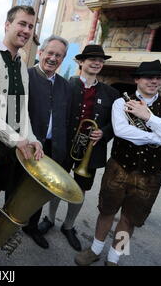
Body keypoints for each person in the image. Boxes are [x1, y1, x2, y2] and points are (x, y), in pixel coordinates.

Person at [75, 60, 161, 266]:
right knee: (106, 211)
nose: (154, 81)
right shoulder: (122, 102)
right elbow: (122, 131)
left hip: (150, 175)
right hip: (118, 168)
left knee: (130, 220)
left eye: (158, 77)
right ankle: (95, 249)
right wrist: (160, 138)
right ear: (137, 79)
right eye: (149, 76)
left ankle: (114, 257)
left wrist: (149, 118)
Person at [38, 44, 119, 251]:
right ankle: (50, 217)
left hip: (91, 150)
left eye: (100, 60)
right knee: (58, 184)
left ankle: (69, 225)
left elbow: (116, 123)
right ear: (81, 62)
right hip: (64, 146)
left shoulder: (111, 93)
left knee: (80, 189)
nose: (96, 63)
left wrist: (104, 132)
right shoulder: (64, 85)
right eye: (91, 59)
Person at [0, 5, 44, 201]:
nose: (27, 30)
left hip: (9, 150)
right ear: (7, 25)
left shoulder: (21, 64)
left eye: (31, 26)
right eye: (22, 24)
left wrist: (32, 138)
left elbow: (21, 110)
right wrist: (15, 138)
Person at [22, 35, 72, 249]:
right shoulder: (26, 75)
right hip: (26, 144)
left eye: (58, 55)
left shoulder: (65, 85)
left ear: (63, 59)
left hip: (52, 148)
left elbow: (66, 119)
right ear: (40, 52)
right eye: (49, 53)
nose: (53, 58)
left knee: (40, 190)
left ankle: (31, 226)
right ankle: (3, 230)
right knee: (18, 188)